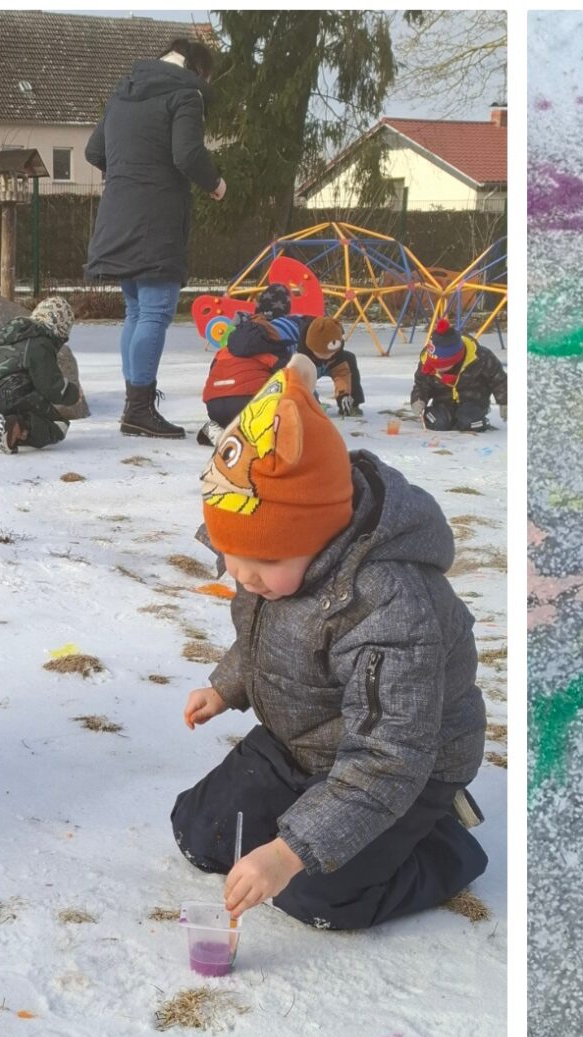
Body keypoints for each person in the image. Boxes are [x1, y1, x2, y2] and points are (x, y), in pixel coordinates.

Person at [174, 358, 488, 931]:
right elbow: (264, 637)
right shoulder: (275, 565)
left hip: (404, 764)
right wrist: (227, 687)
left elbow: (389, 753)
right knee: (201, 833)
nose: (241, 575)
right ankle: (317, 814)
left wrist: (290, 853)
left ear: (318, 538)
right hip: (309, 737)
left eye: (259, 561)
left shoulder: (388, 603)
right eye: (230, 556)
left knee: (317, 895)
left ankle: (441, 842)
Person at [85, 34, 225, 440]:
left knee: (135, 311)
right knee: (155, 312)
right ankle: (139, 410)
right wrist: (216, 184)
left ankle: (137, 405)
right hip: (158, 218)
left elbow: (95, 152)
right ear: (197, 69)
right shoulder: (185, 94)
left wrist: (131, 168)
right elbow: (187, 154)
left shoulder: (124, 93)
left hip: (117, 214)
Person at [200, 287, 366, 442]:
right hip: (248, 401)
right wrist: (311, 407)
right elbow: (291, 376)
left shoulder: (239, 338)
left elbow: (216, 366)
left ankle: (218, 429)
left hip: (214, 404)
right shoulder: (279, 341)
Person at [0, 295, 80, 453]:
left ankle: (10, 431)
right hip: (7, 394)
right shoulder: (39, 343)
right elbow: (50, 386)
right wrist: (73, 393)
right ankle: (17, 426)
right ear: (60, 326)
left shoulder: (12, 335)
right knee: (58, 426)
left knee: (30, 410)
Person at [412, 322, 506, 431]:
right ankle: (445, 419)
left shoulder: (480, 357)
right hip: (443, 403)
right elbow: (421, 384)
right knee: (438, 423)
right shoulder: (427, 364)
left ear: (456, 359)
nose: (437, 369)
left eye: (442, 365)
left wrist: (505, 401)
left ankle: (479, 422)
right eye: (434, 364)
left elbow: (499, 379)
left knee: (468, 422)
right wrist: (418, 399)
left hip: (474, 402)